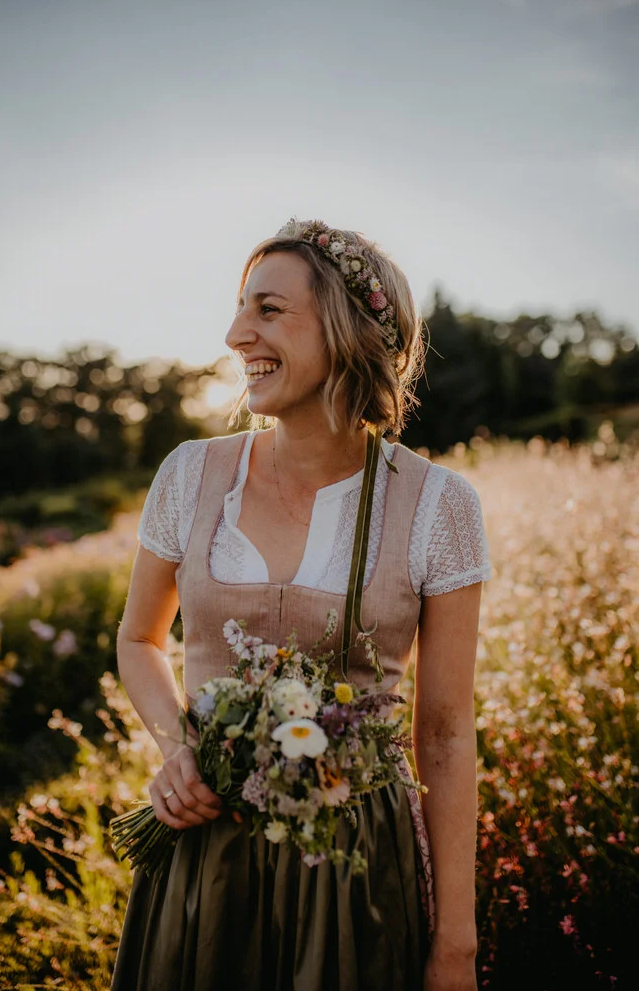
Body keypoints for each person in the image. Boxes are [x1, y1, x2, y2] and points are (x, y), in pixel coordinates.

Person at [110, 217, 492, 991]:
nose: (234, 332)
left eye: (268, 310)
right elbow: (137, 640)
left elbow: (446, 736)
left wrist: (455, 944)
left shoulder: (436, 505)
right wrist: (175, 749)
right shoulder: (189, 474)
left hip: (357, 870)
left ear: (348, 331)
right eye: (239, 306)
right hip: (204, 859)